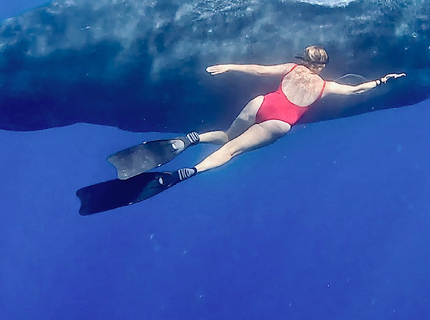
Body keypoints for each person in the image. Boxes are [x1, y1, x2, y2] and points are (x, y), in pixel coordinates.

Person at [77, 45, 404, 215]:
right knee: (230, 152)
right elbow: (356, 91)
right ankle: (187, 172)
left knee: (227, 135)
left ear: (304, 59)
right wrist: (381, 80)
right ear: (322, 66)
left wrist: (229, 65)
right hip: (280, 122)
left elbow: (258, 68)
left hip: (260, 103)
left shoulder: (291, 68)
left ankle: (189, 139)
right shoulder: (326, 85)